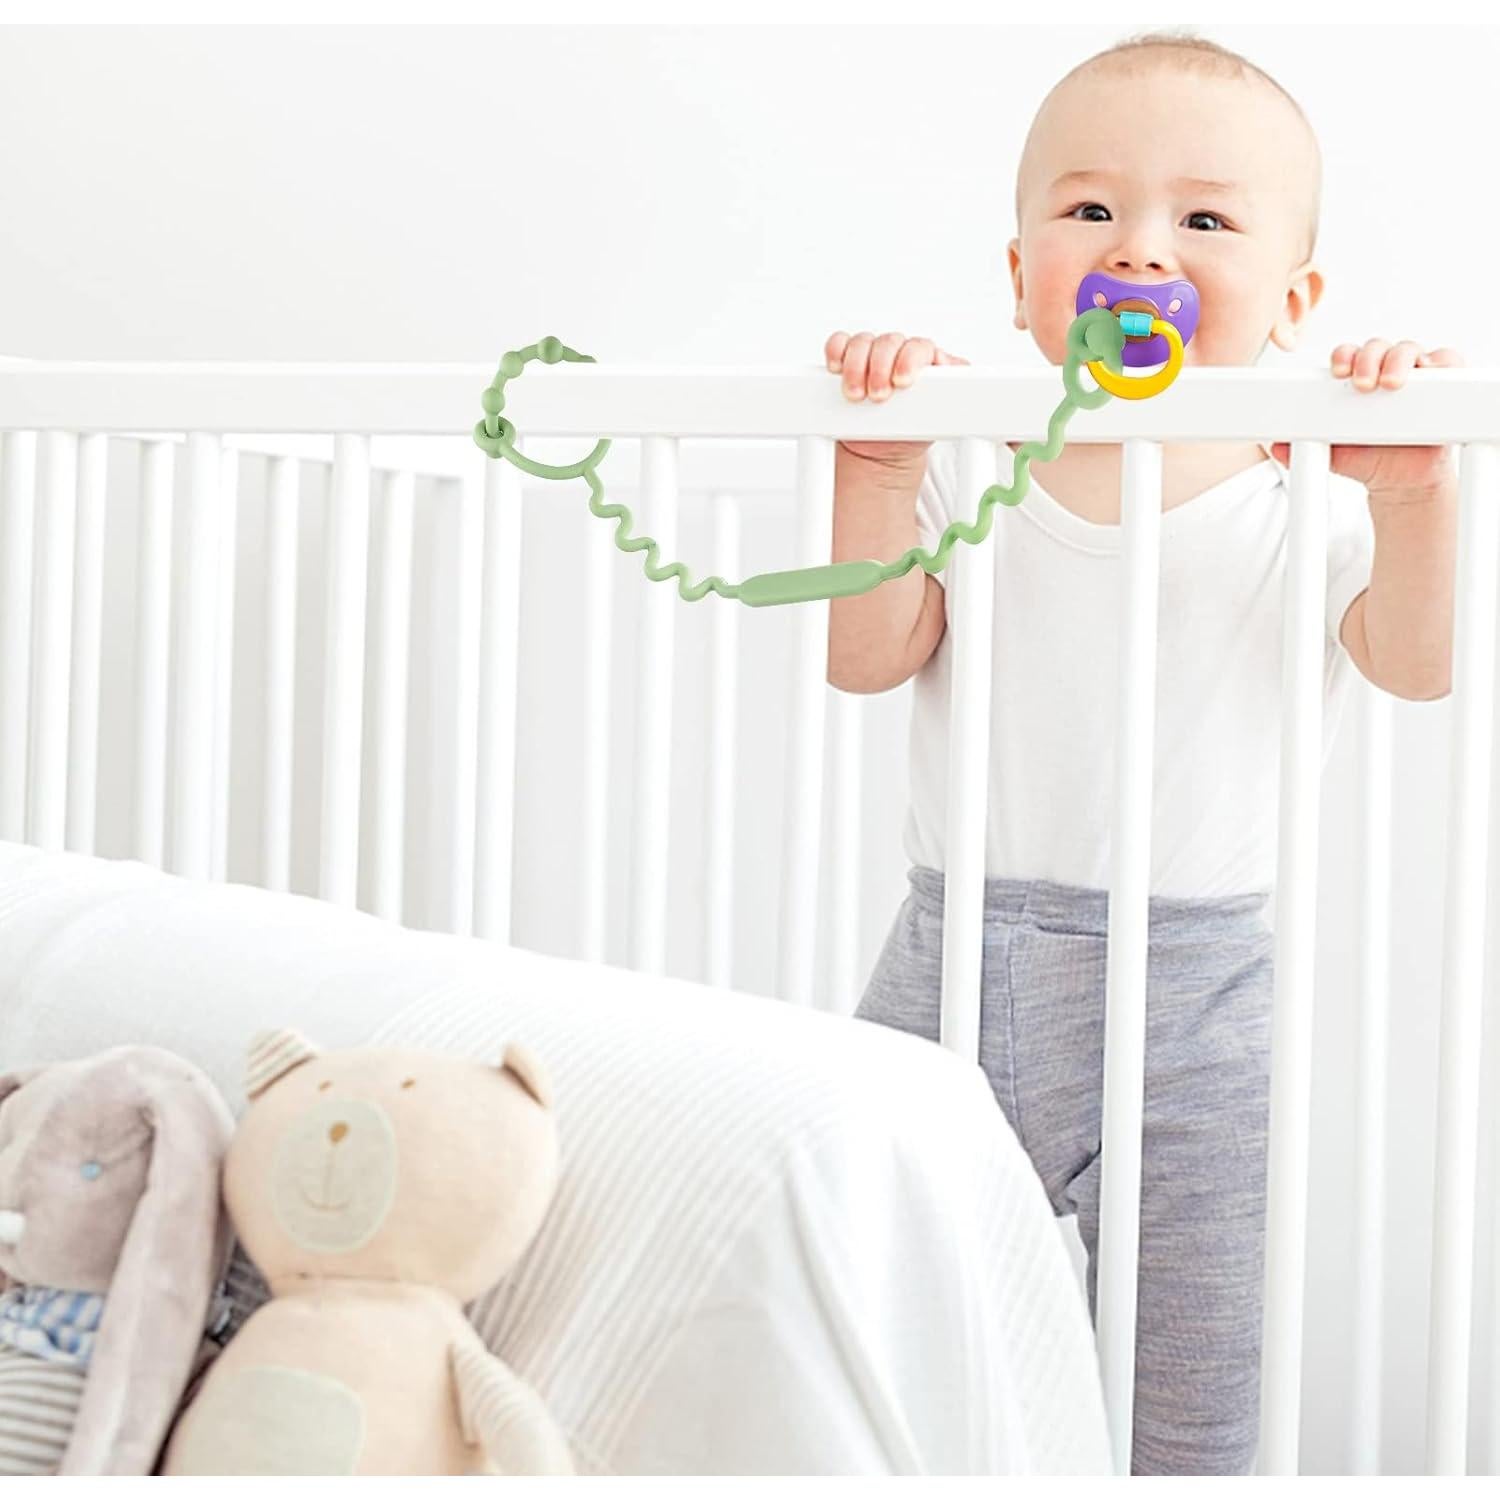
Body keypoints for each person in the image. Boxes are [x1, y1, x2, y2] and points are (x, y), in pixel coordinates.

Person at [825, 29, 1460, 1476]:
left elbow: (1416, 666)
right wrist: (878, 466)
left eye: (1206, 220)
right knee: (866, 1338)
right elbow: (865, 655)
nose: (1140, 251)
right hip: (954, 960)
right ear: (1020, 279)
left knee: (1193, 1390)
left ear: (1294, 300)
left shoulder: (1311, 487)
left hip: (1198, 1001)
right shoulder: (974, 459)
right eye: (1092, 209)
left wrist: (1415, 490)